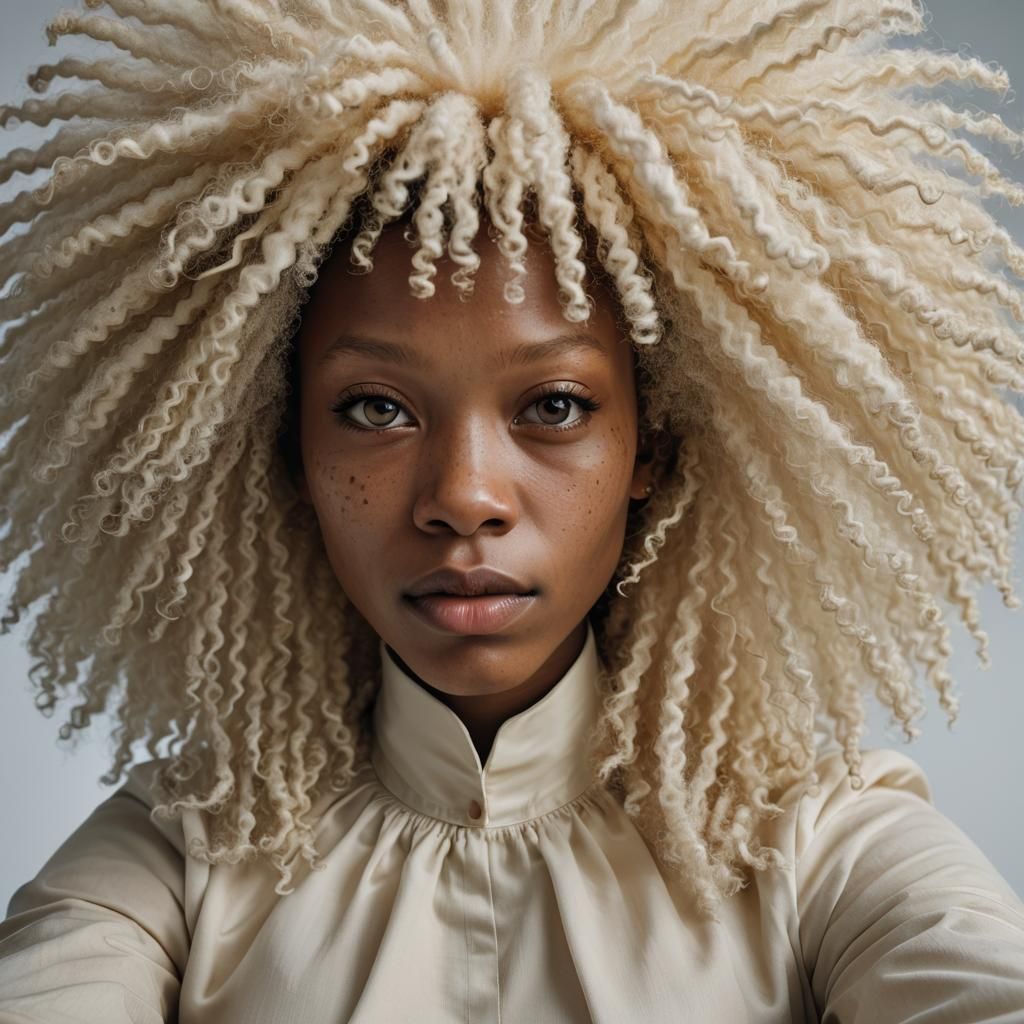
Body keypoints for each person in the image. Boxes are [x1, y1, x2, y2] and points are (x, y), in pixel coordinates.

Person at [1, 0, 1024, 1020]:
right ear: (286, 455)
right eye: (375, 408)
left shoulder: (820, 844)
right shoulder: (174, 859)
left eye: (552, 406)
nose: (463, 498)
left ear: (651, 448)